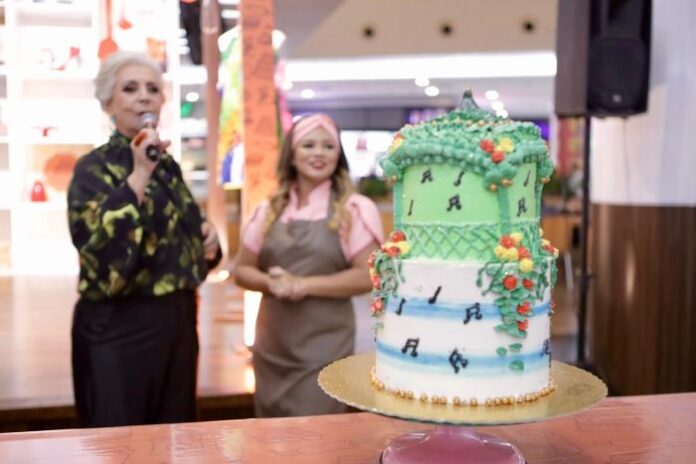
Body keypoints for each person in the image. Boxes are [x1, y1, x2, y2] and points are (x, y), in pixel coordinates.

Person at [67, 51, 222, 427]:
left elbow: (186, 236)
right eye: (130, 88)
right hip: (118, 328)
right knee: (118, 441)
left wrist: (207, 239)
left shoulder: (167, 167)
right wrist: (138, 174)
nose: (144, 97)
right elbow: (99, 252)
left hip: (177, 324)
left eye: (153, 89)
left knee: (174, 436)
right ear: (108, 102)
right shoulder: (94, 168)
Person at [234, 114, 383, 417]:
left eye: (328, 146)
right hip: (272, 348)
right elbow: (241, 270)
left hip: (325, 348)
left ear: (338, 156)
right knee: (271, 435)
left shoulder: (353, 209)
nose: (319, 153)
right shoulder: (269, 210)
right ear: (291, 154)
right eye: (309, 145)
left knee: (316, 431)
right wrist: (271, 283)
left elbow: (367, 276)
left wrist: (302, 285)